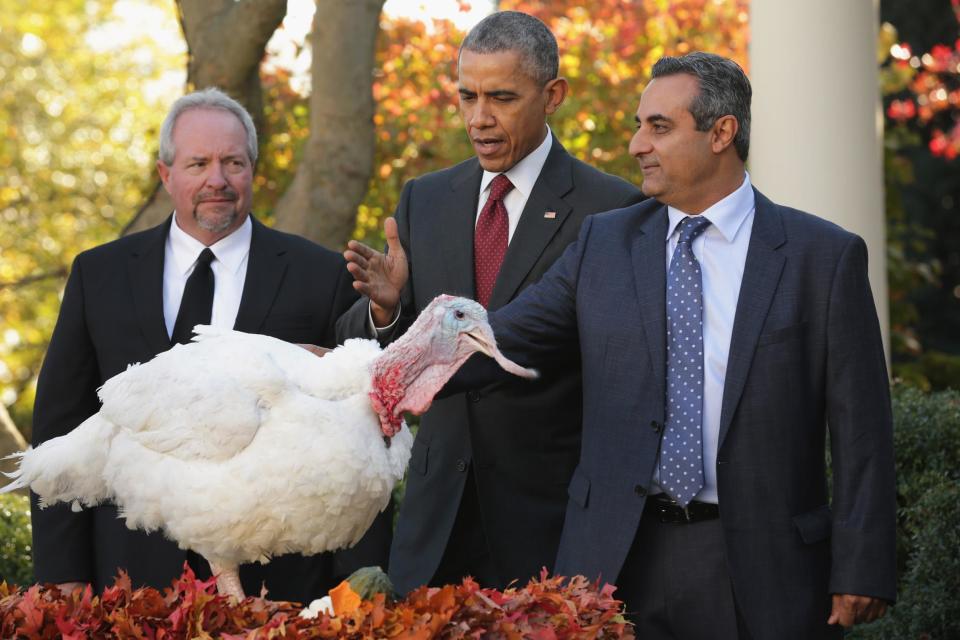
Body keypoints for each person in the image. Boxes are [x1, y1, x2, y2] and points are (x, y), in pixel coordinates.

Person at [458, 52, 895, 638]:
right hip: (612, 558)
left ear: (722, 132)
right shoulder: (604, 243)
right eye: (639, 125)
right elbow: (499, 338)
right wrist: (372, 362)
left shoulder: (822, 257)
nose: (638, 144)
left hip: (761, 567)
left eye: (659, 127)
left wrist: (862, 563)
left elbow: (862, 428)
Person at [30, 87, 390, 602]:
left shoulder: (321, 275)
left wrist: (356, 588)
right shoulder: (99, 274)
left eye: (233, 163)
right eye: (198, 163)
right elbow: (60, 424)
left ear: (253, 171)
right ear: (165, 174)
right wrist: (62, 574)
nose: (216, 180)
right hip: (131, 582)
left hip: (279, 585)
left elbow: (361, 432)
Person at [337, 11, 643, 594]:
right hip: (435, 521)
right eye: (467, 96)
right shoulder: (424, 200)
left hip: (549, 520)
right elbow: (362, 345)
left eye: (501, 98)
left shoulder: (612, 209)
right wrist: (387, 310)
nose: (479, 119)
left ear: (553, 95)